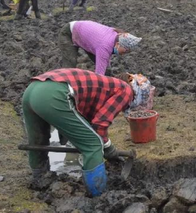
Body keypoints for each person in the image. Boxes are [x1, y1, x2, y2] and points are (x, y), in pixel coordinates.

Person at [21, 68, 153, 196]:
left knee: (38, 142)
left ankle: (39, 180)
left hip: (32, 90)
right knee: (93, 144)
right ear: (138, 94)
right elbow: (100, 125)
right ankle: (98, 195)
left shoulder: (106, 85)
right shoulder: (126, 90)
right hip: (54, 93)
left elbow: (84, 123)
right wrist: (108, 149)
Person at [59, 20, 142, 76]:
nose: (125, 53)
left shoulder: (115, 35)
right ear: (118, 44)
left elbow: (105, 63)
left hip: (85, 36)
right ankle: (63, 88)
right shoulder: (104, 47)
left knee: (106, 70)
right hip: (69, 33)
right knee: (69, 66)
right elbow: (99, 75)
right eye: (126, 50)